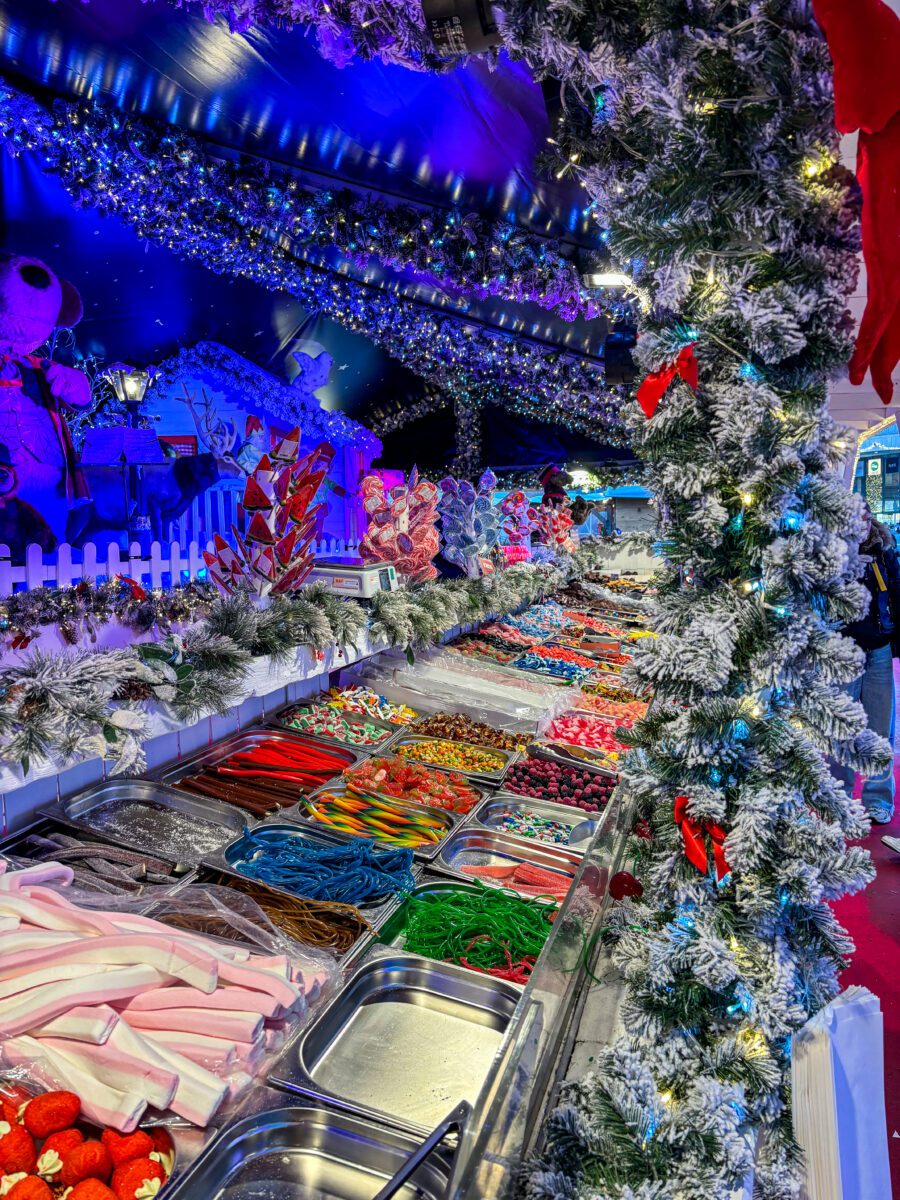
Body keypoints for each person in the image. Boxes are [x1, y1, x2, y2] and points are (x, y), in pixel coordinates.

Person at [836, 504, 900, 824]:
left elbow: (897, 595)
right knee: (841, 728)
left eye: (863, 518)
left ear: (870, 519)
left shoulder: (885, 552)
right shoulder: (832, 554)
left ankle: (877, 798)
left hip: (879, 650)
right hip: (844, 651)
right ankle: (839, 796)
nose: (859, 525)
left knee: (879, 730)